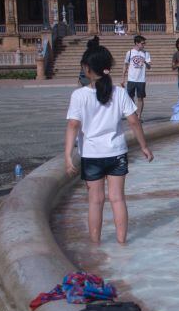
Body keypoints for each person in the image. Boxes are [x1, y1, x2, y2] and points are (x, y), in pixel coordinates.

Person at [63, 47, 154, 244]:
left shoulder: (79, 95)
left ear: (87, 69)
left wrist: (68, 155)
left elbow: (73, 125)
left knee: (95, 201)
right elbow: (133, 121)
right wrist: (144, 146)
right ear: (107, 68)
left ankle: (96, 245)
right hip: (117, 152)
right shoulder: (120, 92)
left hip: (91, 155)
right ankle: (122, 243)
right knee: (118, 199)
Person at [122, 35, 152, 120]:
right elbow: (125, 65)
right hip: (131, 79)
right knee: (130, 98)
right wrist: (123, 78)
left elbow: (149, 67)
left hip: (141, 79)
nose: (144, 45)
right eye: (142, 43)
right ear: (137, 43)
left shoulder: (146, 53)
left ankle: (139, 116)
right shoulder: (130, 52)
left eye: (144, 43)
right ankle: (134, 114)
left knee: (140, 98)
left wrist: (145, 62)